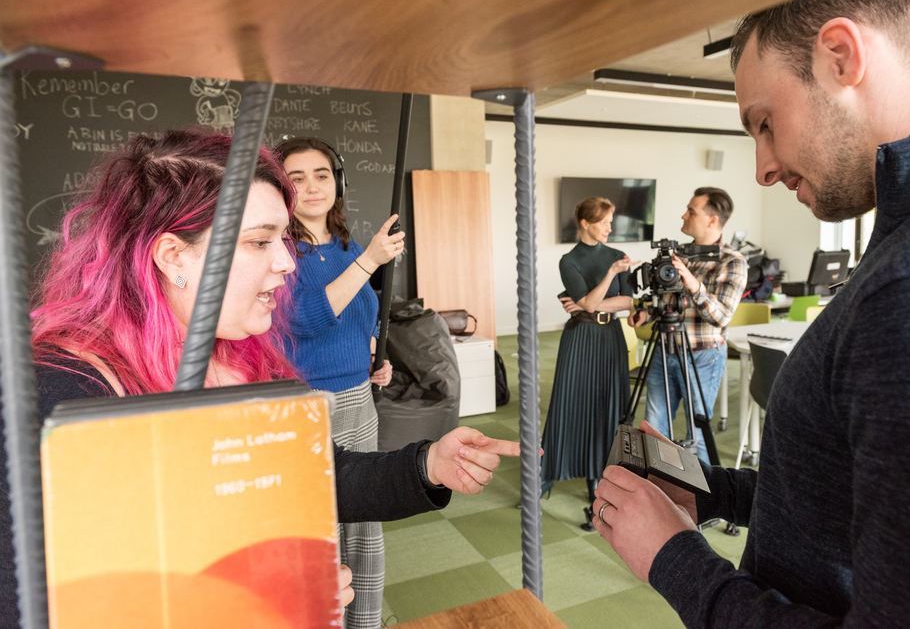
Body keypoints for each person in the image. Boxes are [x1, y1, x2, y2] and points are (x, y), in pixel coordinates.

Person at [591, 0, 910, 627]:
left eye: (764, 122)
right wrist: (709, 492)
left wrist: (675, 558)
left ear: (841, 57)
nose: (762, 168)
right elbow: (854, 495)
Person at [0, 130, 520, 627]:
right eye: (259, 242)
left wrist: (426, 464)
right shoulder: (64, 394)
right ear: (173, 256)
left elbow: (315, 475)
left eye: (283, 239)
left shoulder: (251, 361)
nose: (286, 264)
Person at [276, 137, 399, 629]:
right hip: (310, 405)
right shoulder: (278, 251)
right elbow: (303, 318)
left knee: (363, 527)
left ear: (338, 182)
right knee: (319, 526)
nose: (311, 186)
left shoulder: (348, 246)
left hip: (358, 401)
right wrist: (370, 262)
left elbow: (361, 317)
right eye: (296, 178)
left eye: (321, 174)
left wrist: (371, 358)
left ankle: (364, 624)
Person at [629, 187, 746, 463]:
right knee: (654, 427)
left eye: (691, 211)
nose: (684, 215)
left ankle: (706, 499)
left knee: (698, 430)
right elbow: (668, 299)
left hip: (702, 355)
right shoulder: (679, 254)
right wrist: (647, 312)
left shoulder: (732, 261)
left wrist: (693, 284)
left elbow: (720, 317)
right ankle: (660, 490)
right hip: (664, 349)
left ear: (712, 220)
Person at [541, 196, 634, 530]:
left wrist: (588, 303)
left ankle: (601, 480)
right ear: (585, 223)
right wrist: (608, 277)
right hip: (580, 341)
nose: (610, 227)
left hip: (610, 340)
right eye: (604, 222)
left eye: (611, 221)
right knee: (572, 406)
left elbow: (625, 302)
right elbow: (592, 304)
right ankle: (552, 473)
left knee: (609, 408)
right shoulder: (570, 261)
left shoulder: (619, 256)